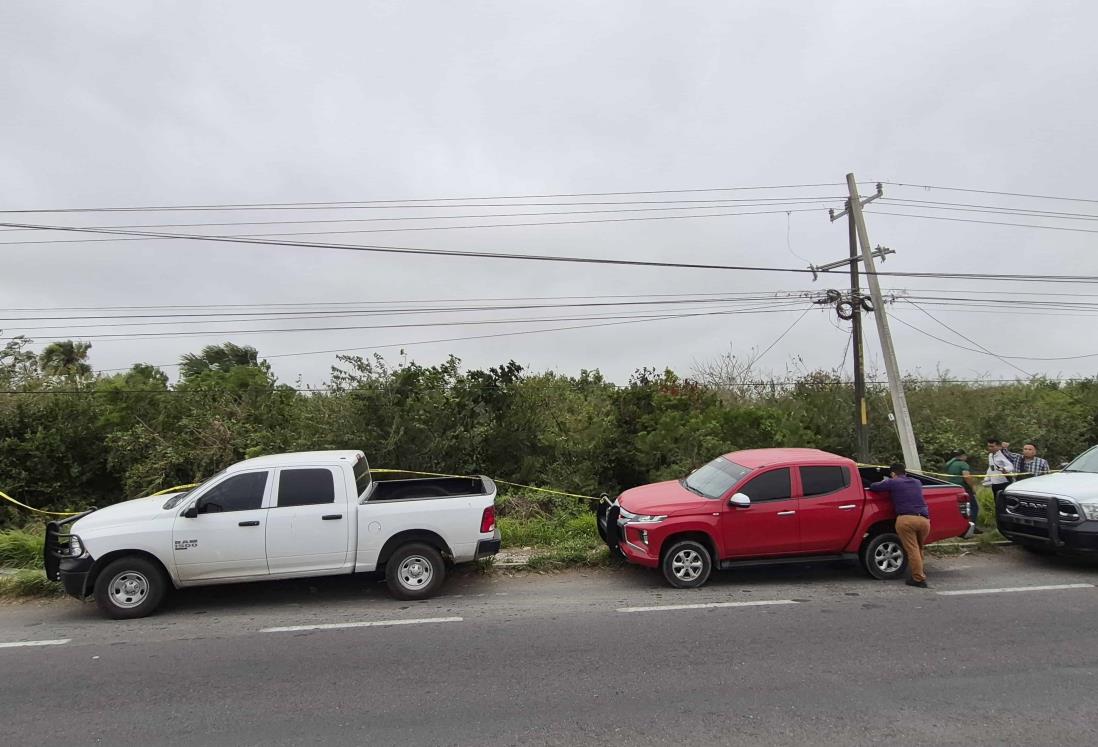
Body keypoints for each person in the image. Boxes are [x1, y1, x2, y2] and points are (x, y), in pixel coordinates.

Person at [869, 463, 931, 588]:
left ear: (893, 474)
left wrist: (885, 481)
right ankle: (919, 574)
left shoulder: (893, 482)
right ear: (905, 472)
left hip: (907, 520)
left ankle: (918, 579)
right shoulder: (917, 482)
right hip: (924, 520)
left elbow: (873, 486)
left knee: (912, 550)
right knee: (919, 548)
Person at [944, 449, 982, 533]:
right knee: (973, 507)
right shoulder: (963, 464)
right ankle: (971, 527)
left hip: (953, 488)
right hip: (964, 488)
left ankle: (957, 526)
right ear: (963, 455)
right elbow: (966, 477)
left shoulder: (949, 464)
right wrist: (972, 487)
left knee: (958, 508)